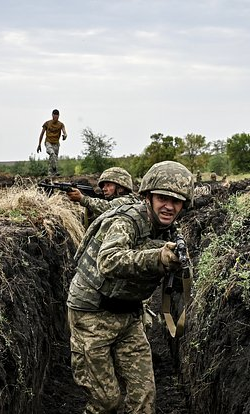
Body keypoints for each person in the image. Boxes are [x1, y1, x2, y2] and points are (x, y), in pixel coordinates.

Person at [67, 160, 194, 414]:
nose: (169, 206)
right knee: (106, 402)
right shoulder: (127, 221)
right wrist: (156, 257)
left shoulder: (170, 231)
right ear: (148, 196)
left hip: (129, 316)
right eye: (162, 197)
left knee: (143, 398)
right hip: (92, 315)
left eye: (177, 201)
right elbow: (108, 261)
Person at [66, 167, 140, 219]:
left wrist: (82, 199)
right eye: (103, 186)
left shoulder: (128, 201)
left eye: (108, 185)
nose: (104, 189)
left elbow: (108, 207)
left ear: (120, 188)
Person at [37, 109, 67, 176]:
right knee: (52, 153)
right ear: (52, 116)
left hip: (56, 144)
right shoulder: (47, 123)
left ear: (58, 116)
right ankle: (55, 170)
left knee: (53, 159)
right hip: (48, 143)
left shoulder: (61, 124)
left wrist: (65, 136)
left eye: (57, 117)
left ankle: (50, 175)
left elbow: (64, 132)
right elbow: (42, 134)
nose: (56, 118)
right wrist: (39, 144)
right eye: (54, 117)